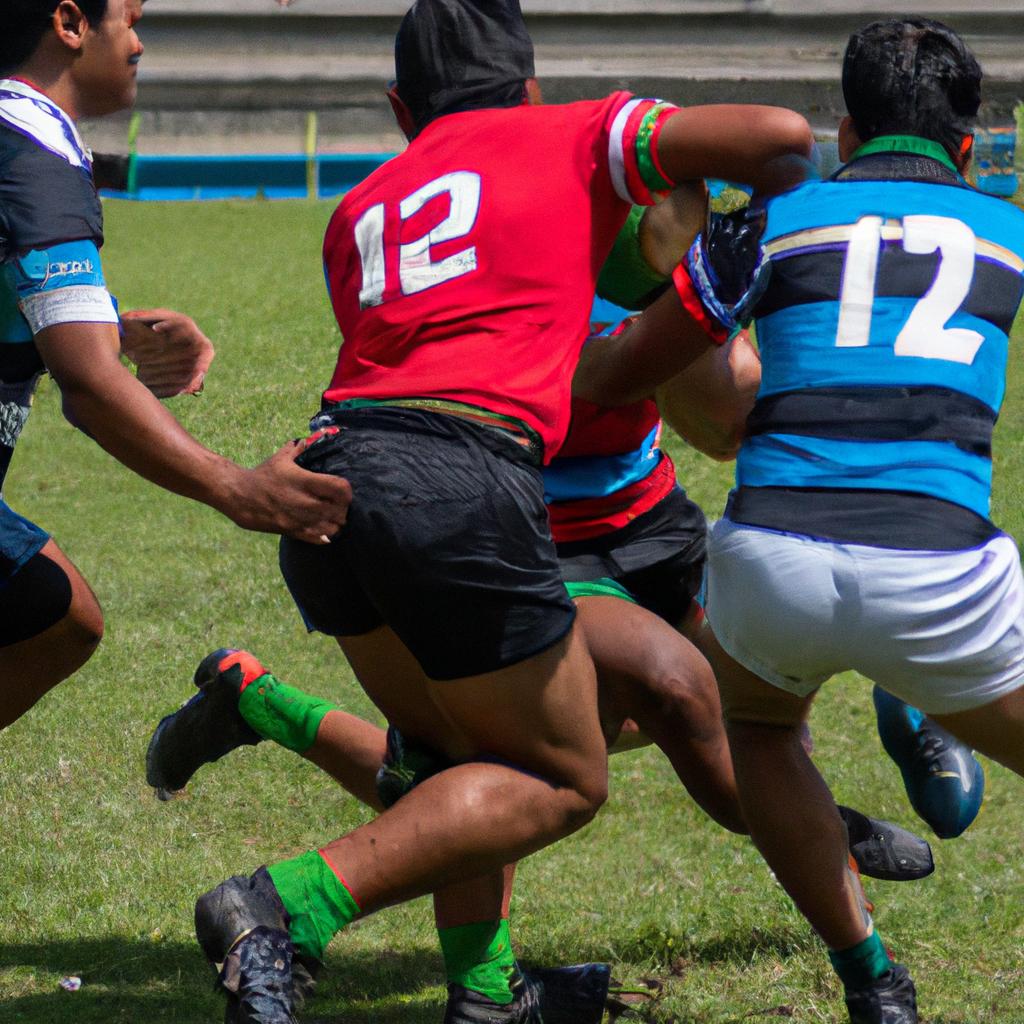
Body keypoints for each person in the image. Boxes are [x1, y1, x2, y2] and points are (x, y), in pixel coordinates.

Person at [153, 0, 820, 1020]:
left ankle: (485, 993)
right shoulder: (572, 132)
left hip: (330, 478)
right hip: (459, 482)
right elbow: (779, 138)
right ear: (532, 85)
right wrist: (704, 242)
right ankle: (283, 905)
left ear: (395, 107)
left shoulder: (359, 208)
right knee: (562, 776)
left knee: (456, 765)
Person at [651, 18, 1024, 1023]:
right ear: (967, 146)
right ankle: (923, 701)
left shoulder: (776, 216)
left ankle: (871, 979)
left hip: (774, 560)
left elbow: (702, 391)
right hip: (941, 575)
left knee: (762, 732)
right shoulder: (1008, 228)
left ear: (843, 129)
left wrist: (669, 253)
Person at [0, 0, 351, 735]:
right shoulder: (33, 159)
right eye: (129, 19)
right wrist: (241, 489)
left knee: (58, 614)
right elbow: (91, 390)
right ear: (70, 25)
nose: (139, 42)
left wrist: (111, 325)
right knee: (55, 611)